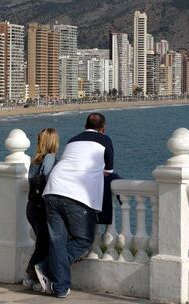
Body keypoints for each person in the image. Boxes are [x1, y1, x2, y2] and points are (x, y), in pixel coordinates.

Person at [35, 113, 114, 298]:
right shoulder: (105, 140)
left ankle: (61, 287)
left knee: (57, 241)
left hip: (52, 190)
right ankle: (46, 267)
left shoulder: (73, 140)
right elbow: (108, 171)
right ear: (103, 128)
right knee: (84, 240)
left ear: (84, 125)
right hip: (75, 195)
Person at [23, 128, 59, 290]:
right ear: (53, 141)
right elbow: (46, 176)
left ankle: (33, 277)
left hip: (31, 206)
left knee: (42, 242)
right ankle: (33, 274)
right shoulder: (50, 157)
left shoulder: (35, 160)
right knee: (44, 243)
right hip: (41, 206)